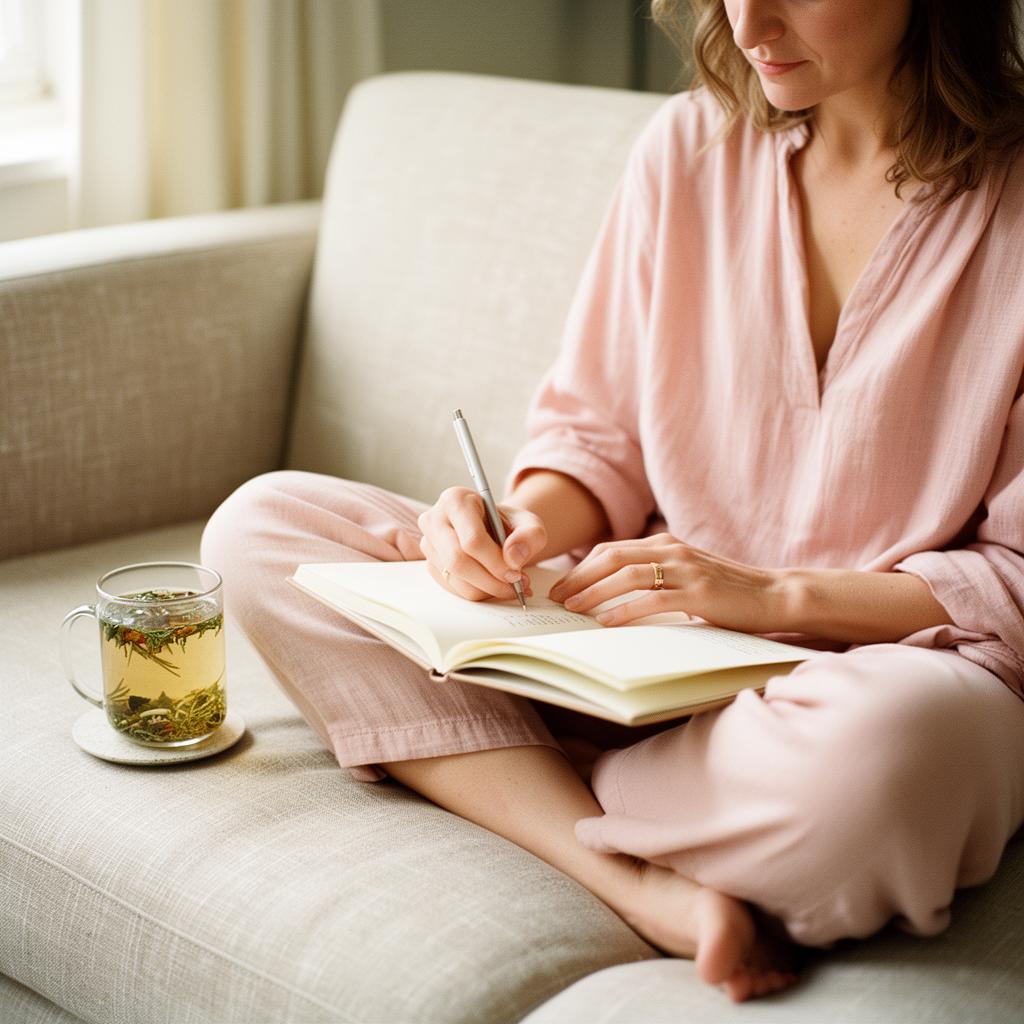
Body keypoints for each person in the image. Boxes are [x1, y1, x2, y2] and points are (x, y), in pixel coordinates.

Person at [201, 0, 1024, 1003]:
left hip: (873, 682)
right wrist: (520, 526)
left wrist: (771, 599)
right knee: (264, 528)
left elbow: (1010, 580)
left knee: (895, 759)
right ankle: (636, 877)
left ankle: (495, 757)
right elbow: (594, 436)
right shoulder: (687, 148)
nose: (748, 18)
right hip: (634, 639)